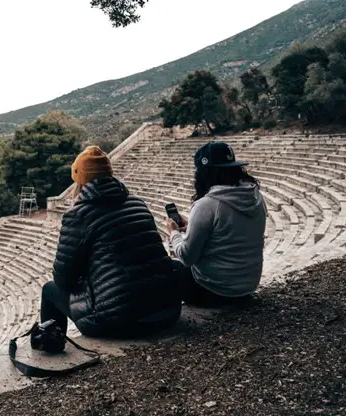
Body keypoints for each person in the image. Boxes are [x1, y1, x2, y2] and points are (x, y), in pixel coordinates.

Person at [39, 145, 182, 345]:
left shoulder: (78, 215)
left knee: (50, 290)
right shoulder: (137, 204)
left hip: (121, 321)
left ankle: (51, 347)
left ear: (79, 182)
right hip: (168, 310)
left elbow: (63, 279)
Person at [166, 142, 267, 307]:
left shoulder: (207, 205)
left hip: (213, 292)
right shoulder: (256, 197)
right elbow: (229, 229)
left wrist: (174, 233)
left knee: (168, 266)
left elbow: (187, 257)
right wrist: (193, 225)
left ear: (204, 173)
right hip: (247, 288)